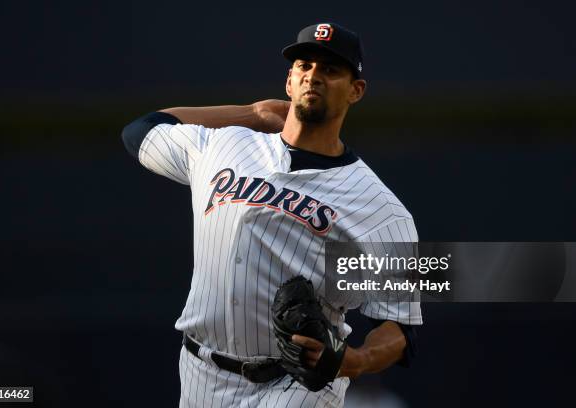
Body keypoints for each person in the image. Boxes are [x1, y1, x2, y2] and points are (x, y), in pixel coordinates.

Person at [122, 22, 421, 408]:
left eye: (330, 70)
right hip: (199, 371)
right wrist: (253, 113)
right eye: (304, 66)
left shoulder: (381, 208)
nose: (314, 76)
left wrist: (357, 361)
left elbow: (400, 329)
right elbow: (142, 130)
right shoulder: (225, 144)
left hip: (297, 384)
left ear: (355, 91)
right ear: (289, 81)